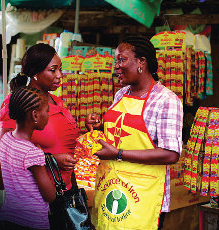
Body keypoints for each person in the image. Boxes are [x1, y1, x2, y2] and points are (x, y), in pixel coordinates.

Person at [87, 36, 183, 230]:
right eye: (116, 61)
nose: (117, 66)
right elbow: (120, 134)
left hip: (143, 193)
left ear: (141, 62)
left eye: (122, 59)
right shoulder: (121, 94)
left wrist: (118, 154)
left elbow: (171, 153)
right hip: (112, 187)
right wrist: (99, 126)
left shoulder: (166, 100)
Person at [0, 43, 81, 229]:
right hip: (40, 202)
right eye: (53, 70)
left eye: (60, 69)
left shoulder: (54, 100)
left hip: (65, 191)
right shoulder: (20, 104)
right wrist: (50, 161)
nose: (60, 75)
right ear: (35, 73)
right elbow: (5, 161)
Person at [0, 86, 56, 229]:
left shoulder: (5, 139)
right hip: (32, 222)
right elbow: (50, 196)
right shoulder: (32, 152)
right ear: (35, 115)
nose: (48, 115)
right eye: (46, 111)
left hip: (8, 218)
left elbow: (0, 184)